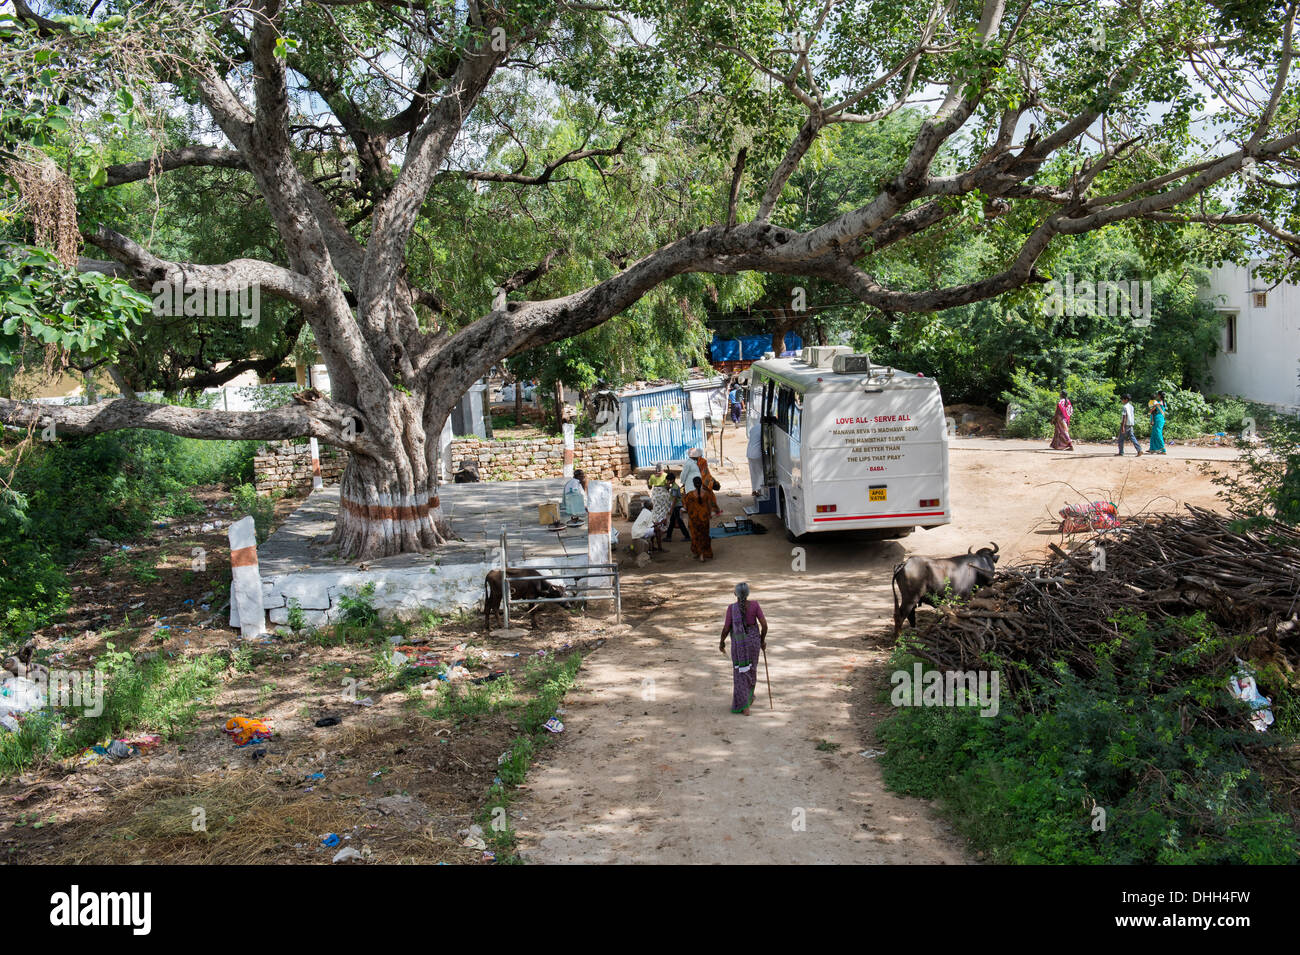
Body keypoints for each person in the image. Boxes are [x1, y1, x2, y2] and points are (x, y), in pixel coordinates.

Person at [720, 582, 767, 715]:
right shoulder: (755, 605)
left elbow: (726, 628)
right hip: (753, 642)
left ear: (735, 594)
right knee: (752, 669)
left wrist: (721, 642)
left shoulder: (731, 608)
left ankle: (744, 705)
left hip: (738, 643)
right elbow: (764, 625)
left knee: (740, 671)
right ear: (748, 594)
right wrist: (762, 641)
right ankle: (749, 697)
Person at [684, 476, 714, 560]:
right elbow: (709, 506)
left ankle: (699, 554)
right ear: (701, 484)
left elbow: (686, 507)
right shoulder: (706, 494)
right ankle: (704, 553)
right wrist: (709, 514)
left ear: (693, 484)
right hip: (704, 519)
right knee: (704, 536)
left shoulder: (690, 495)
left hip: (694, 520)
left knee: (696, 536)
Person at [664, 472, 689, 541]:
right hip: (676, 506)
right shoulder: (674, 486)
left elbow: (675, 499)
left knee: (679, 522)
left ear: (672, 480)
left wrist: (671, 509)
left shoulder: (674, 487)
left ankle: (687, 536)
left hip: (677, 506)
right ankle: (668, 536)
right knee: (672, 521)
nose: (667, 481)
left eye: (668, 480)